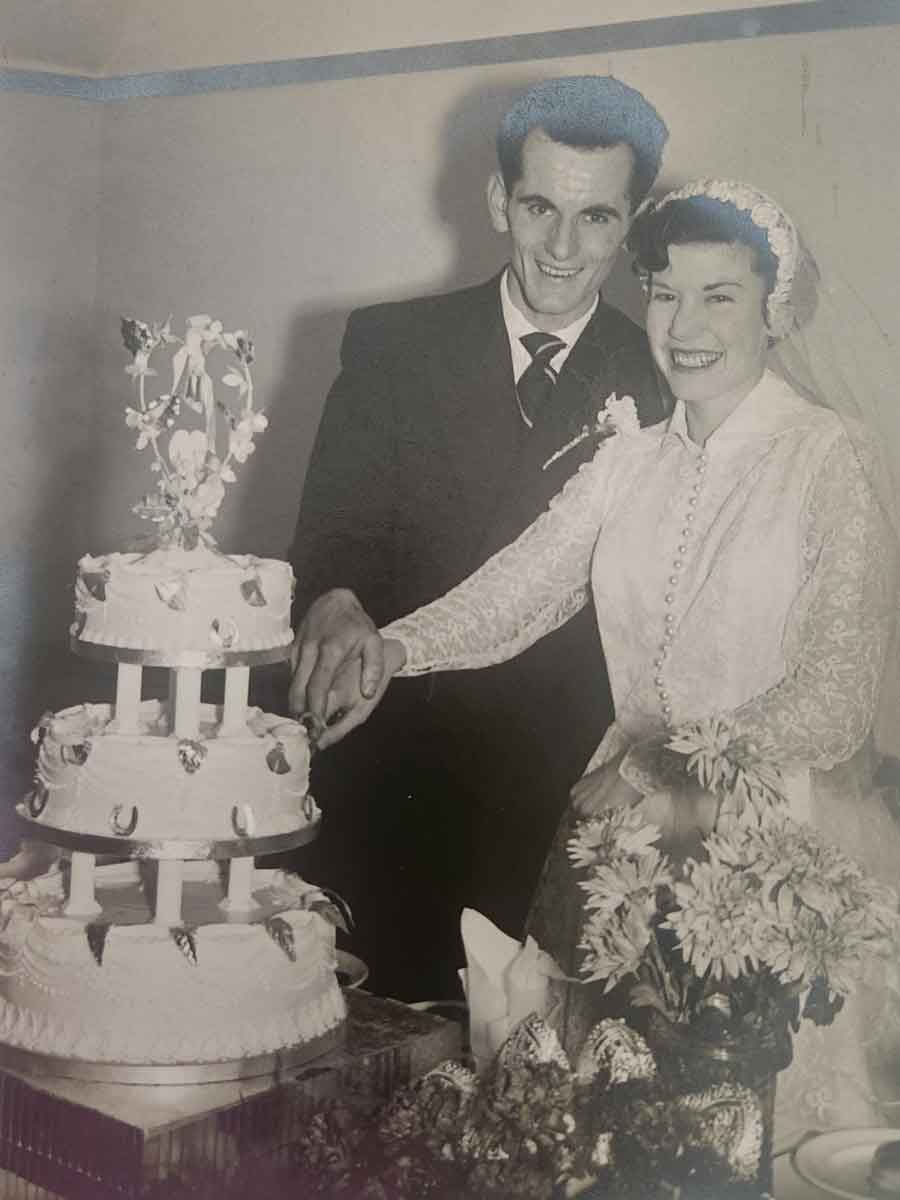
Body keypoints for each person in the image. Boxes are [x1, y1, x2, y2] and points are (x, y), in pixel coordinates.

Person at [295, 179, 900, 1133]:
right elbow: (519, 589)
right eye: (664, 293)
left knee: (750, 1133)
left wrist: (657, 765)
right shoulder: (631, 457)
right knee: (601, 1130)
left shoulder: (827, 456)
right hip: (621, 845)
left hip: (774, 853)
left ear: (773, 309)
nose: (685, 326)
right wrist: (396, 649)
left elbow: (836, 697)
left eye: (720, 295)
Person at [285, 76, 670, 999]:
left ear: (630, 224)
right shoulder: (391, 342)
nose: (563, 249)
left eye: (596, 217)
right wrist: (335, 597)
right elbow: (334, 528)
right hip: (387, 764)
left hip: (548, 788)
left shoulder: (661, 377)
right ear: (500, 200)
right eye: (540, 208)